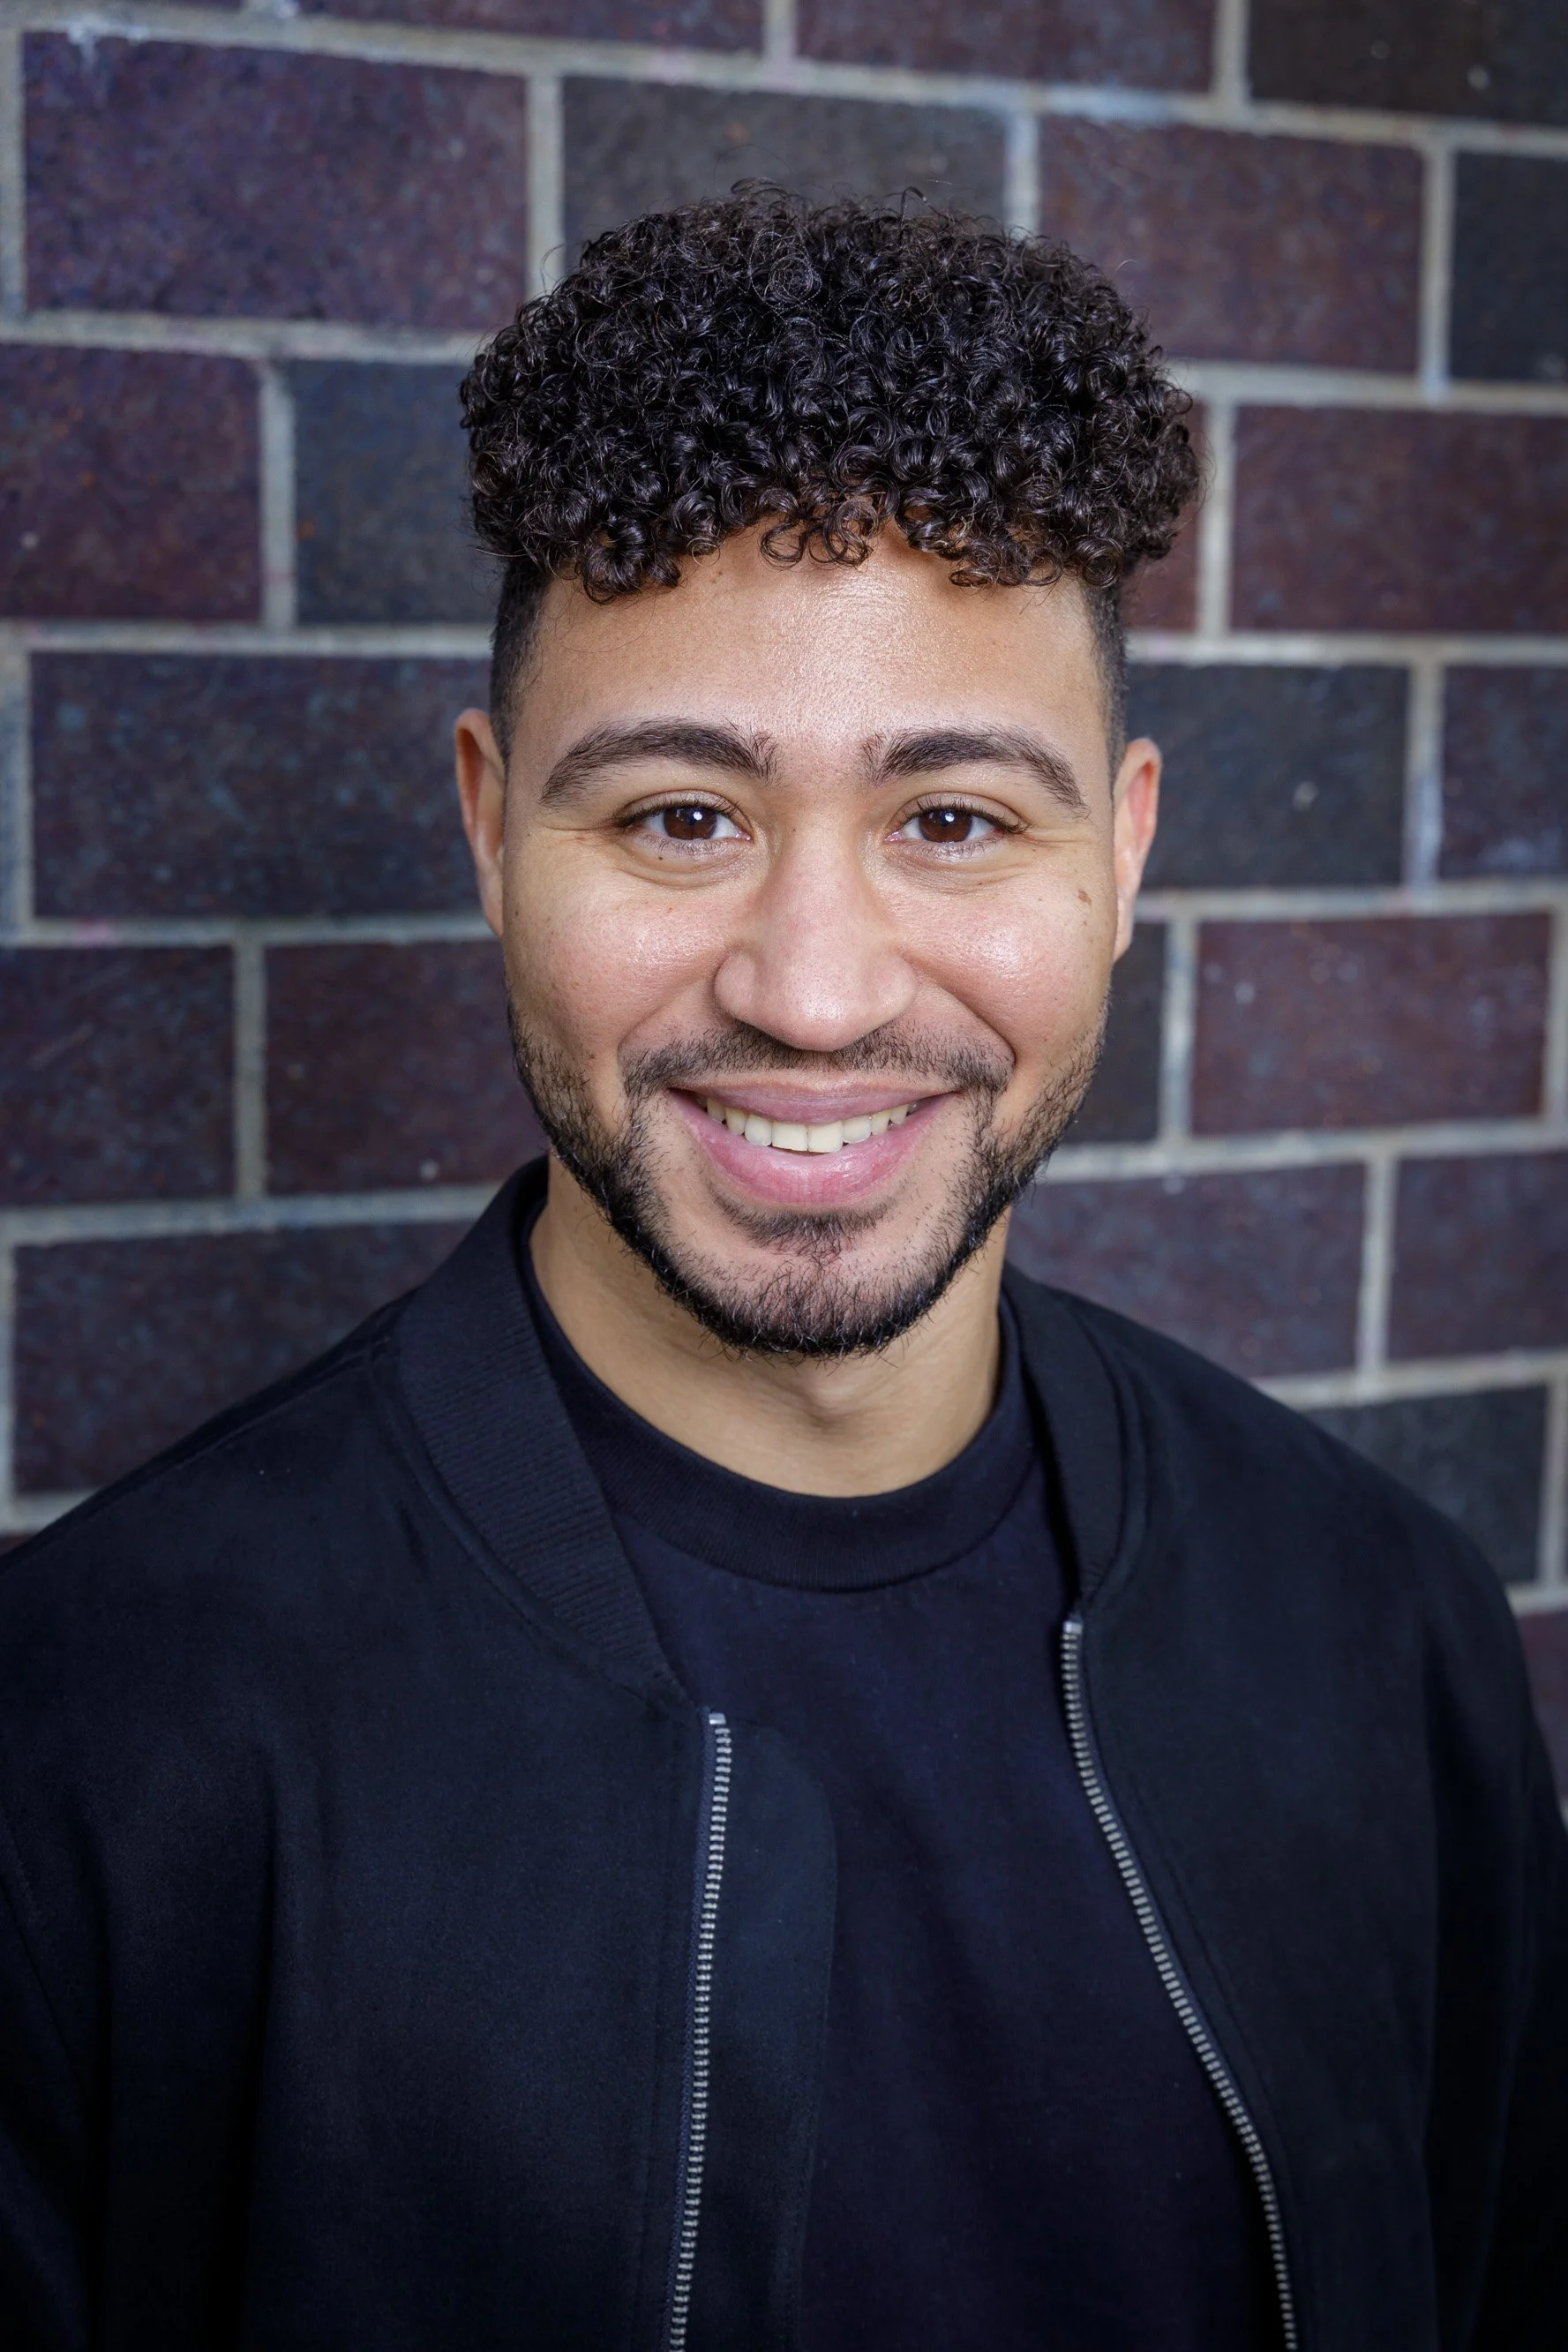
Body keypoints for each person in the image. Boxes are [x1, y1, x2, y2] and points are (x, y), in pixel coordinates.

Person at [0, 192, 1562, 2352]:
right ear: (488, 827)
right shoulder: (95, 1736)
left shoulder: (1382, 1637)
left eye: (951, 821)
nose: (816, 996)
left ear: (1121, 850)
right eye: (676, 817)